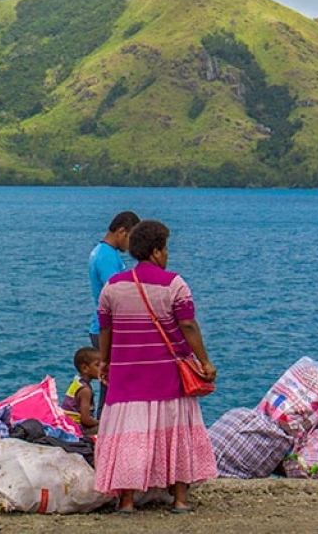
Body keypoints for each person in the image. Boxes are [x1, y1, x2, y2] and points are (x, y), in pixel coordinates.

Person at [93, 220, 216, 513]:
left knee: (128, 437)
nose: (167, 254)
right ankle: (181, 499)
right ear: (157, 251)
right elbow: (187, 324)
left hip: (127, 374)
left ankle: (126, 501)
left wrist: (105, 361)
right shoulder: (174, 284)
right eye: (166, 248)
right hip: (168, 375)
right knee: (177, 433)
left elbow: (105, 327)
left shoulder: (113, 286)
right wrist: (204, 361)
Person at [88, 211, 139, 413]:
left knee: (109, 382)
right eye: (131, 238)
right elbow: (116, 292)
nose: (132, 246)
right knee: (111, 383)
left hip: (102, 325)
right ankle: (105, 428)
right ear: (121, 232)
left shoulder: (106, 252)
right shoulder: (106, 256)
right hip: (105, 327)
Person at [61, 347, 103, 436]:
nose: (101, 368)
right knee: (107, 428)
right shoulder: (85, 390)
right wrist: (101, 422)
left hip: (67, 424)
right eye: (97, 365)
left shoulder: (77, 382)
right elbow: (86, 420)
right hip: (77, 428)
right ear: (85, 368)